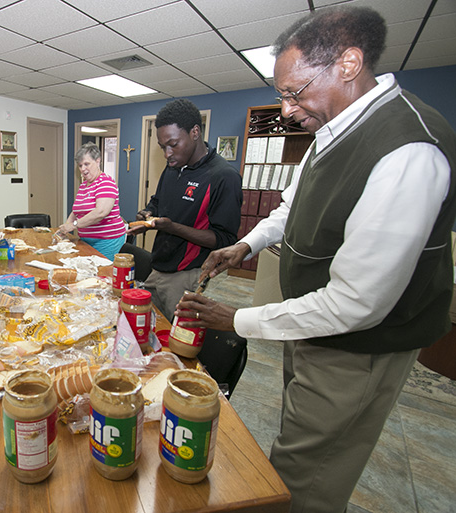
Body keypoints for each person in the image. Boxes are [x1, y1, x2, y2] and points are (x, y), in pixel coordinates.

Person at [177, 7, 456, 513]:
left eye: (293, 91)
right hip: (315, 324)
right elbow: (291, 207)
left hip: (360, 344)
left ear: (348, 63)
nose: (286, 108)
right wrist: (246, 244)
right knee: (301, 431)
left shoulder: (407, 150)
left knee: (310, 471)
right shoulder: (334, 130)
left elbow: (357, 303)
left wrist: (236, 318)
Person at [127, 98, 242, 321]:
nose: (167, 154)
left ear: (195, 132)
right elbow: (157, 203)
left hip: (187, 275)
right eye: (163, 147)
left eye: (173, 144)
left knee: (176, 341)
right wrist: (146, 216)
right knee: (144, 327)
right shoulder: (173, 168)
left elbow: (224, 239)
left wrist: (172, 228)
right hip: (158, 267)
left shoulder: (223, 177)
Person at [57, 142, 127, 260]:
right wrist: (64, 229)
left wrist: (73, 226)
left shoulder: (106, 182)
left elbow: (100, 212)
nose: (83, 169)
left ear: (98, 161)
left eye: (86, 164)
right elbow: (76, 211)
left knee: (101, 275)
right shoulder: (84, 185)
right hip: (86, 240)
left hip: (107, 241)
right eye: (80, 165)